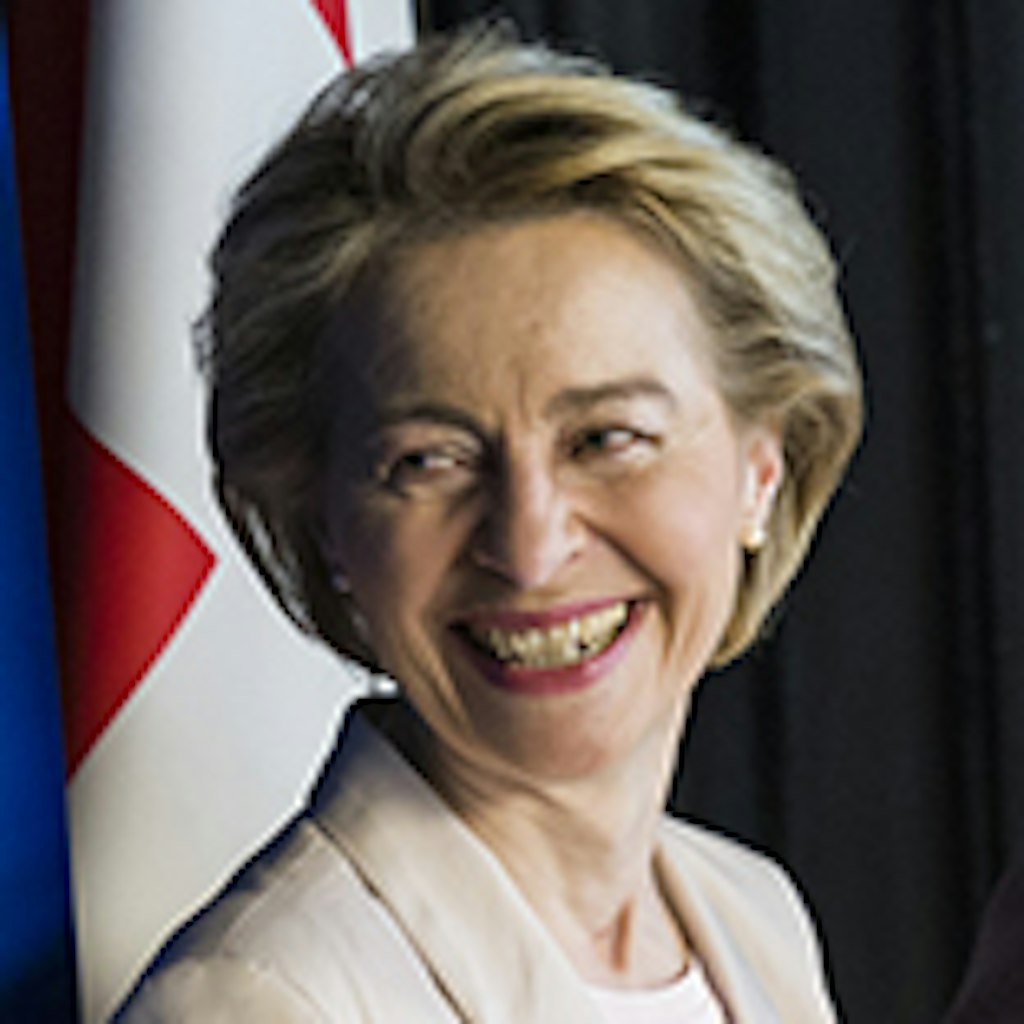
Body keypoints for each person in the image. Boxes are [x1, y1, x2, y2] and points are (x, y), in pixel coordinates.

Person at [116, 25, 862, 1023]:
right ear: (324, 520)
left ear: (760, 472)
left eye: (607, 438)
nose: (529, 549)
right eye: (429, 461)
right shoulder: (255, 1000)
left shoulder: (752, 916)